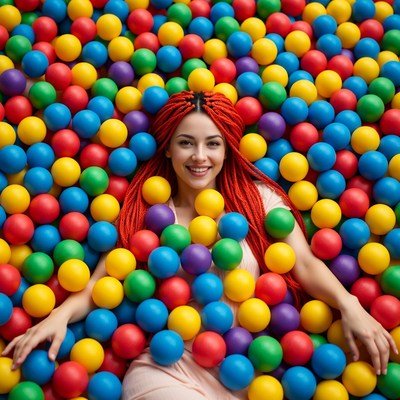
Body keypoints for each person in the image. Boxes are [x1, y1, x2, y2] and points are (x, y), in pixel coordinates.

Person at [3, 91, 397, 399]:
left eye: (213, 144)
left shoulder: (257, 202)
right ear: (169, 148)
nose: (200, 156)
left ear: (227, 149)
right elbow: (103, 284)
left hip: (254, 373)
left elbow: (305, 265)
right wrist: (56, 317)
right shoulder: (150, 214)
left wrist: (350, 305)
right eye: (186, 143)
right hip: (167, 367)